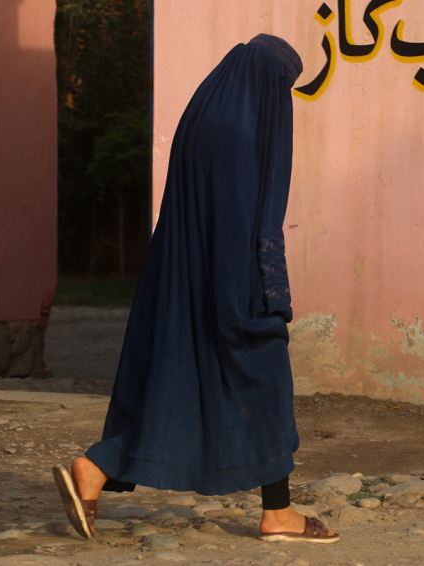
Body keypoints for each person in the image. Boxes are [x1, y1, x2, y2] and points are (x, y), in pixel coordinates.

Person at [53, 34, 338, 544]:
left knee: (171, 385)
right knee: (266, 377)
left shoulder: (204, 115)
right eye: (281, 88)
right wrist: (260, 298)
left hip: (179, 281)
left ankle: (96, 470)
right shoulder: (240, 131)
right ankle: (278, 514)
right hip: (227, 278)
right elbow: (240, 220)